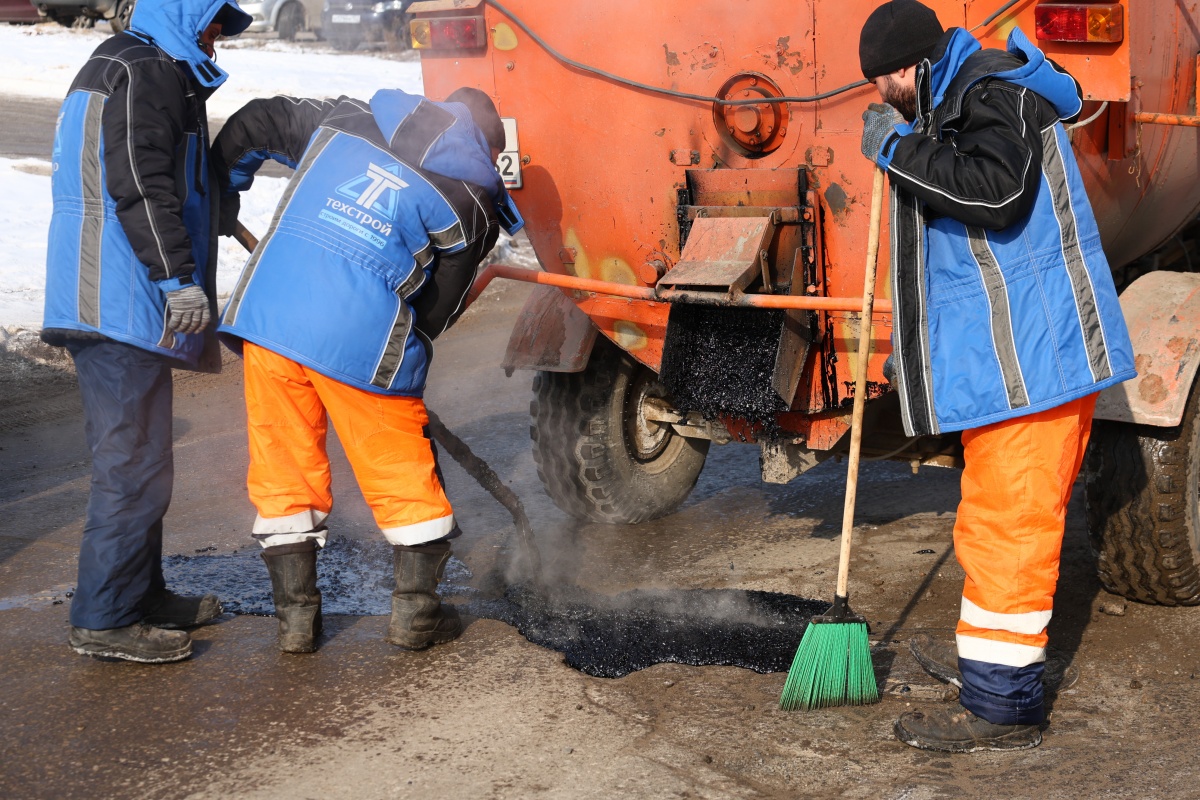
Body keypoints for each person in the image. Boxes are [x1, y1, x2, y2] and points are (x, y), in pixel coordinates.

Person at [857, 0, 1136, 751]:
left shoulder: (992, 93)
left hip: (1032, 364)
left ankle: (1003, 709)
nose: (881, 91)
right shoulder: (952, 99)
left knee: (1010, 531)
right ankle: (989, 671)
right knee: (989, 523)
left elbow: (997, 195)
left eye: (887, 76)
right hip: (1005, 365)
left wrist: (894, 153)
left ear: (920, 60)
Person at [210, 87, 522, 654]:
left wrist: (221, 194)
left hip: (270, 315)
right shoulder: (475, 198)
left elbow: (257, 120)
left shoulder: (346, 116)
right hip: (361, 336)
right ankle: (417, 618)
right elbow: (439, 310)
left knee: (284, 471)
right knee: (401, 476)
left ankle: (297, 624)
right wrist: (401, 346)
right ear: (486, 145)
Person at [41, 0, 252, 663]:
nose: (221, 35)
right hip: (114, 297)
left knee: (147, 461)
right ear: (186, 13)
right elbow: (137, 182)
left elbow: (168, 176)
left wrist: (217, 205)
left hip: (118, 294)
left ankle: (142, 594)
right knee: (130, 466)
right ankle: (103, 619)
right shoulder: (144, 70)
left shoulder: (139, 65)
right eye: (216, 20)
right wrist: (176, 278)